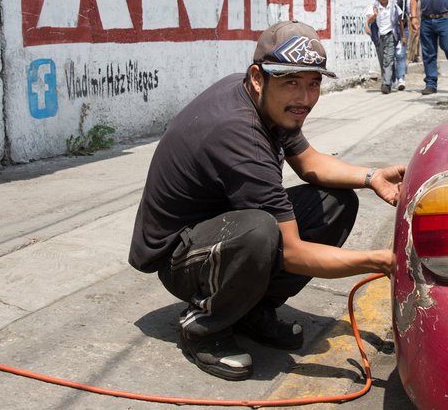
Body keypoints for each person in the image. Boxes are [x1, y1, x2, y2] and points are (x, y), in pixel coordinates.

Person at [127, 20, 404, 381]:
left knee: (337, 202)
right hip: (179, 254)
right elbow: (291, 251)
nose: (304, 99)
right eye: (291, 82)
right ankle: (205, 326)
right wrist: (381, 262)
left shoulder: (264, 100)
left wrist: (371, 177)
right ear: (258, 78)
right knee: (262, 231)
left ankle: (252, 310)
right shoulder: (239, 133)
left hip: (221, 229)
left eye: (313, 83)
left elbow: (309, 163)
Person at [367, 0, 403, 94]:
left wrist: (403, 36)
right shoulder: (373, 8)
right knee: (382, 60)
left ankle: (387, 84)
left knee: (389, 60)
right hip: (378, 37)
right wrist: (374, 17)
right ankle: (385, 81)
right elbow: (370, 21)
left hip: (391, 36)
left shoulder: (394, 5)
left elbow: (400, 20)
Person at [384, 0, 409, 90]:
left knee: (400, 54)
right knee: (389, 56)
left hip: (402, 30)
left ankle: (401, 79)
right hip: (387, 31)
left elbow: (406, 13)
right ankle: (392, 80)